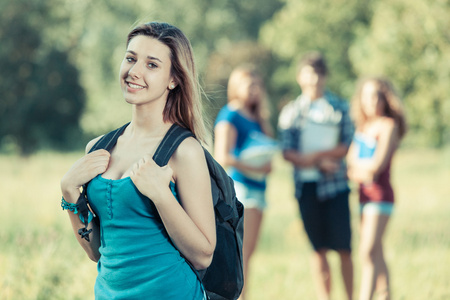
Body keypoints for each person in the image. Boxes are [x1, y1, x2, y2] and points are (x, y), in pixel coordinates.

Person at [60, 22, 216, 299]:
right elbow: (96, 251)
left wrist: (161, 195)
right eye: (131, 58)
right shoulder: (98, 148)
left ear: (174, 79)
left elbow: (203, 256)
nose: (134, 71)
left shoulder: (184, 151)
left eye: (152, 65)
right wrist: (69, 193)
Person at [278, 52, 354, 300]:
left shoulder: (341, 107)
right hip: (306, 188)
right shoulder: (291, 112)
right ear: (300, 77)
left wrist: (319, 156)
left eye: (319, 74)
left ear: (325, 77)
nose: (315, 80)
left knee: (344, 247)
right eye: (309, 74)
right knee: (317, 248)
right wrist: (314, 162)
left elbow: (347, 144)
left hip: (336, 187)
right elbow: (287, 152)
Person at [214, 66, 275, 300]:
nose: (255, 90)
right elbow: (223, 156)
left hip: (260, 192)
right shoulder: (230, 115)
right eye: (250, 85)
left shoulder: (258, 119)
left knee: (248, 253)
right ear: (236, 86)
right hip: (242, 191)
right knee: (239, 253)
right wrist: (256, 167)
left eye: (258, 85)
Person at [347, 77, 407, 300]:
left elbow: (376, 166)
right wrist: (361, 170)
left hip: (381, 198)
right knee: (377, 252)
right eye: (366, 96)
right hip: (363, 197)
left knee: (367, 251)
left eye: (376, 96)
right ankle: (386, 296)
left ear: (384, 99)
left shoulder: (388, 126)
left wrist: (359, 170)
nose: (371, 101)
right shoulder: (363, 127)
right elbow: (350, 164)